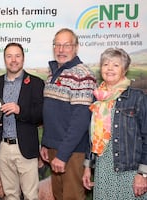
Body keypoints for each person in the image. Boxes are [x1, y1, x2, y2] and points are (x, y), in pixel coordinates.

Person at [82, 48, 147, 199]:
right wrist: (87, 167)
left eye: (116, 65)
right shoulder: (97, 99)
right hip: (103, 169)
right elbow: (91, 137)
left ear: (124, 70)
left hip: (130, 171)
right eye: (105, 64)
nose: (109, 68)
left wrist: (143, 173)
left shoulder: (137, 98)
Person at [40, 28, 97, 200]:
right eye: (57, 45)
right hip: (54, 148)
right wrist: (46, 143)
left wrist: (63, 154)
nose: (61, 50)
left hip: (72, 152)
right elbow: (51, 114)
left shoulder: (83, 75)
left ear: (76, 48)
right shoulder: (53, 73)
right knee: (58, 195)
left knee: (72, 197)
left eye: (66, 45)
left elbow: (80, 121)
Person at [0, 42, 44, 199]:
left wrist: (20, 110)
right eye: (9, 56)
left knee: (31, 195)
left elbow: (40, 115)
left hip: (25, 148)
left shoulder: (36, 83)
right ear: (4, 59)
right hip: (2, 147)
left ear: (23, 58)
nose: (13, 60)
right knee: (10, 195)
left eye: (17, 56)